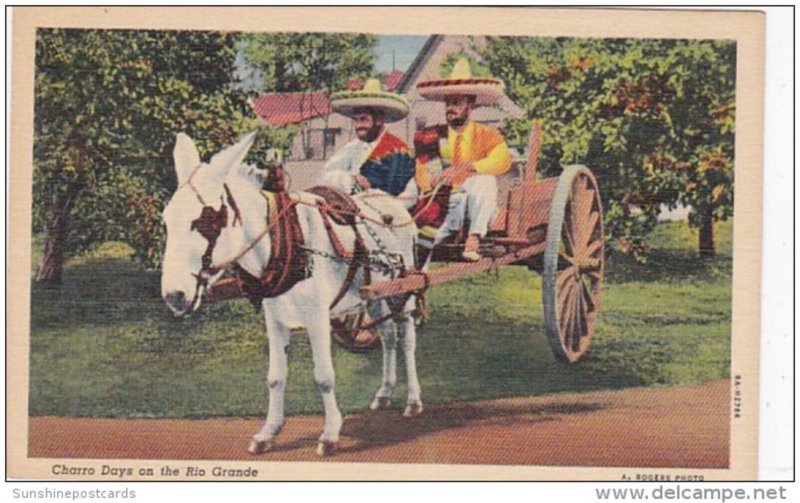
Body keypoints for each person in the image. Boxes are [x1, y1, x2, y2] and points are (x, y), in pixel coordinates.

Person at [413, 58, 512, 261]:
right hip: (444, 205)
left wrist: (469, 167)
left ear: (471, 104)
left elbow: (503, 161)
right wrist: (434, 179)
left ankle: (473, 239)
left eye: (456, 102)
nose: (451, 107)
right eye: (448, 102)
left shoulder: (487, 135)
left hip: (479, 208)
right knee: (418, 240)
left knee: (484, 179)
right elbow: (421, 169)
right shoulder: (431, 136)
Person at [318, 78, 416, 205]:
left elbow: (411, 194)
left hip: (388, 217)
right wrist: (352, 181)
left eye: (363, 119)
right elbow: (323, 176)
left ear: (379, 120)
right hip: (354, 212)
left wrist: (384, 206)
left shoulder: (400, 150)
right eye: (356, 120)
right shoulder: (351, 148)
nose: (358, 126)